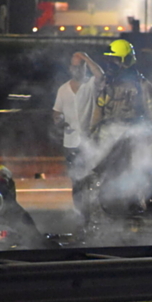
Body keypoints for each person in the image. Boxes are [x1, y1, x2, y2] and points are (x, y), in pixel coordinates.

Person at [52, 51, 104, 208]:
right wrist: (59, 121)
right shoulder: (63, 89)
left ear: (85, 68)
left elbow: (100, 75)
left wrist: (86, 58)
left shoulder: (91, 85)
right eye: (74, 67)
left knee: (93, 178)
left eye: (80, 66)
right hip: (70, 143)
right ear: (70, 69)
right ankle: (80, 213)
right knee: (76, 180)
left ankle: (94, 210)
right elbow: (56, 113)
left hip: (90, 141)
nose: (77, 70)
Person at [90, 39, 152, 148]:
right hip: (106, 138)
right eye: (109, 59)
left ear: (127, 61)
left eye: (115, 60)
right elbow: (98, 112)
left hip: (133, 137)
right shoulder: (106, 85)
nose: (110, 64)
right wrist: (91, 135)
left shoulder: (143, 86)